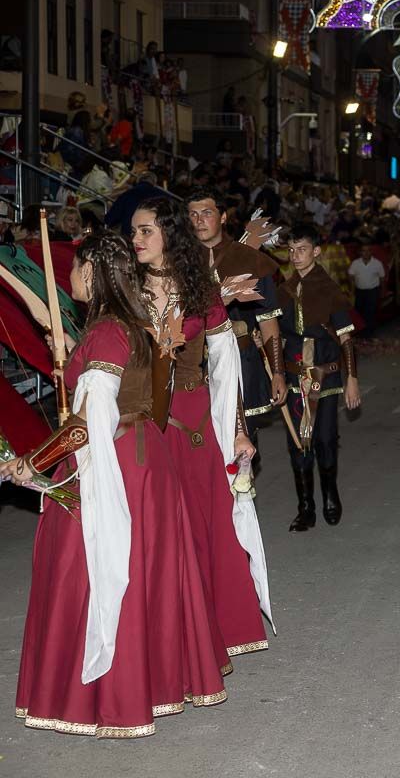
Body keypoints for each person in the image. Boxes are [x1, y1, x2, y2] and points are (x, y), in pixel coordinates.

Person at [0, 233, 230, 737]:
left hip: (119, 463)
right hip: (146, 460)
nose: (70, 277)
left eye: (76, 268)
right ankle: (156, 684)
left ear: (94, 272)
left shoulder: (107, 331)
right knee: (142, 569)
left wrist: (30, 463)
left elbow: (89, 424)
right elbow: (60, 332)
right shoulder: (130, 321)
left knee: (91, 568)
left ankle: (113, 698)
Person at [131, 197, 272, 658]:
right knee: (152, 533)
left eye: (146, 230)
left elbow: (226, 366)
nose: (137, 240)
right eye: (133, 232)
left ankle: (207, 634)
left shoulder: (200, 292)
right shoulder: (124, 290)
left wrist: (236, 428)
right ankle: (161, 638)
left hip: (192, 421)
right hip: (139, 424)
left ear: (168, 235)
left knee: (202, 528)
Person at [187, 188, 286, 457]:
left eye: (206, 213)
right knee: (200, 450)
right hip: (191, 367)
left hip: (242, 362)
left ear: (223, 217)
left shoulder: (250, 259)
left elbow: (267, 320)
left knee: (243, 450)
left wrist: (277, 372)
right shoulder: (178, 263)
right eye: (193, 215)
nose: (199, 220)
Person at [276, 225, 361, 531]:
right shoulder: (282, 290)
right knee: (297, 441)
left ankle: (329, 494)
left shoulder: (330, 290)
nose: (295, 256)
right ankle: (306, 507)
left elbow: (346, 338)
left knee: (324, 438)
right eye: (291, 250)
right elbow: (275, 334)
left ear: (316, 252)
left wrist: (352, 378)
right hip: (294, 374)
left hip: (325, 377)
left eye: (301, 249)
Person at [347, 246, 387, 337]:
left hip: (373, 291)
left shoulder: (377, 263)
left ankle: (369, 333)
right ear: (360, 252)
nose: (366, 253)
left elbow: (382, 278)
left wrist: (383, 291)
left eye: (368, 251)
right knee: (359, 311)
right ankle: (361, 332)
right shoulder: (355, 263)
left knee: (370, 312)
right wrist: (352, 288)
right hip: (359, 291)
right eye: (363, 251)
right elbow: (350, 275)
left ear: (371, 252)